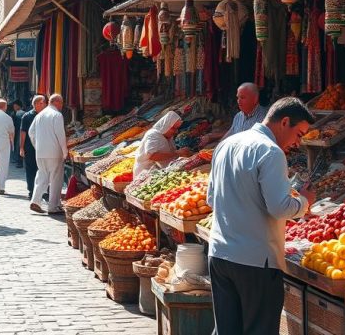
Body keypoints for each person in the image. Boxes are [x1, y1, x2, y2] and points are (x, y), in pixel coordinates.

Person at [206, 97, 316, 335]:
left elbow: (211, 199)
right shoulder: (271, 151)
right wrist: (305, 201)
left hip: (220, 254)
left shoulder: (226, 144)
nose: (298, 143)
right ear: (284, 122)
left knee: (227, 330)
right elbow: (280, 207)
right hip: (256, 261)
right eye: (299, 134)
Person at [28, 94, 68, 215]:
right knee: (56, 178)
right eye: (61, 103)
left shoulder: (40, 115)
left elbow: (31, 132)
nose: (62, 106)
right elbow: (60, 134)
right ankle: (53, 206)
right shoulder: (57, 115)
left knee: (42, 176)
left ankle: (35, 200)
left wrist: (37, 146)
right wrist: (65, 151)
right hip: (54, 152)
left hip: (40, 152)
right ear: (57, 102)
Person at [202, 82, 267, 145]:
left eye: (242, 97)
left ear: (255, 99)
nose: (238, 101)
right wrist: (219, 147)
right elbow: (230, 133)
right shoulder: (238, 116)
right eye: (238, 97)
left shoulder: (264, 118)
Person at [133, 111, 190, 178]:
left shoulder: (168, 135)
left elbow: (171, 152)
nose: (176, 131)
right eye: (173, 128)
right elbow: (153, 156)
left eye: (177, 128)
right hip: (145, 173)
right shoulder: (153, 134)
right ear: (166, 125)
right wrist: (177, 153)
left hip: (161, 171)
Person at [20, 96, 45, 197]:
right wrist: (21, 147)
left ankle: (43, 190)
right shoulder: (27, 116)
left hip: (43, 147)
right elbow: (23, 132)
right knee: (31, 169)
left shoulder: (45, 115)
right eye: (42, 103)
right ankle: (31, 190)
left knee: (43, 169)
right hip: (30, 147)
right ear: (36, 104)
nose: (44, 105)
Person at [9, 100, 25, 169]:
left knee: (18, 145)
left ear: (19, 106)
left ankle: (19, 161)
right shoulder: (15, 113)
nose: (14, 107)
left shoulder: (20, 113)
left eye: (15, 106)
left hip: (18, 131)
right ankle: (18, 160)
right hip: (16, 131)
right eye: (14, 106)